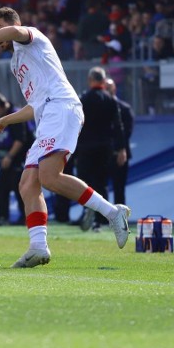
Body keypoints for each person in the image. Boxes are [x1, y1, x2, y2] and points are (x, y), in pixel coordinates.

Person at [0, 6, 131, 268]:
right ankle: (38, 247)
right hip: (47, 115)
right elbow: (34, 106)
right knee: (28, 184)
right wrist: (5, 120)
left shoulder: (33, 37)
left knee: (49, 177)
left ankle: (112, 212)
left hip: (61, 108)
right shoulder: (16, 61)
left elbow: (15, 31)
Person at [74, 67, 128, 232]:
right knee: (101, 182)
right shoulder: (110, 100)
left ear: (90, 80)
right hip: (104, 147)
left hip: (84, 146)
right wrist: (121, 148)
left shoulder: (83, 98)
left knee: (84, 182)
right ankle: (100, 219)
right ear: (103, 81)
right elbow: (118, 126)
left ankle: (87, 209)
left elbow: (75, 122)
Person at [0, 92, 33, 225]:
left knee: (19, 187)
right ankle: (3, 217)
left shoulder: (15, 116)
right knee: (1, 187)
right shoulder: (2, 117)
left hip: (18, 158)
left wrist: (10, 156)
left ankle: (25, 217)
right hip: (6, 157)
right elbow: (0, 140)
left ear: (2, 104)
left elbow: (20, 140)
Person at [106, 77, 133, 210]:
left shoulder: (125, 109)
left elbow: (127, 132)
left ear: (114, 89)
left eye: (109, 87)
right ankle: (101, 218)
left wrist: (119, 149)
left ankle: (120, 216)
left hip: (119, 154)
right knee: (100, 187)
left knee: (119, 188)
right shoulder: (99, 110)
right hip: (103, 154)